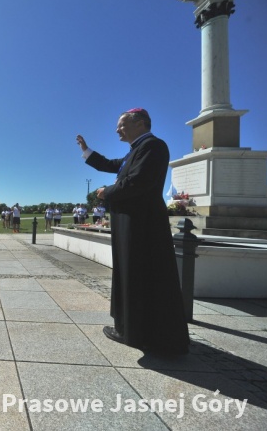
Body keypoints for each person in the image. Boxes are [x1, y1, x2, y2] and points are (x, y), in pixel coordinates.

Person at [76, 107, 189, 355]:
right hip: (135, 222)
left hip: (142, 225)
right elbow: (109, 164)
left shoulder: (153, 146)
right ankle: (131, 328)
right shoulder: (136, 150)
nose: (117, 129)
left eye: (122, 124)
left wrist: (107, 191)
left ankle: (139, 331)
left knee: (139, 275)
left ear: (140, 123)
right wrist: (86, 151)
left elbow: (136, 182)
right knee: (132, 275)